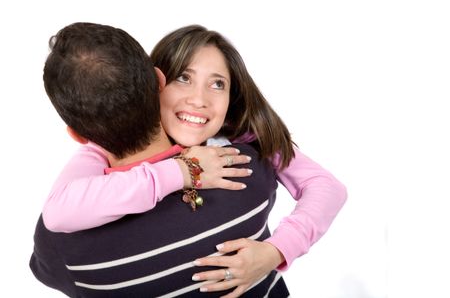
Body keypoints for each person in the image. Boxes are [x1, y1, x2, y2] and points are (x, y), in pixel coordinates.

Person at [35, 24, 347, 297]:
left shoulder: (242, 137)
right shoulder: (100, 155)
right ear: (155, 84)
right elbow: (61, 209)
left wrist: (276, 250)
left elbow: (326, 187)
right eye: (184, 78)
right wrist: (184, 171)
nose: (199, 99)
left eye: (217, 84)